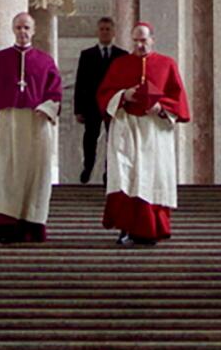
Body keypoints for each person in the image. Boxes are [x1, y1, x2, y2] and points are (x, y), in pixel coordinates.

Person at [0, 10, 64, 243]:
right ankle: (3, 224)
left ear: (34, 31)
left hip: (36, 123)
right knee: (4, 173)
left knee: (35, 175)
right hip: (7, 121)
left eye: (26, 28)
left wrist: (47, 108)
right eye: (19, 27)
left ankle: (30, 224)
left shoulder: (45, 61)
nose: (23, 32)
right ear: (13, 29)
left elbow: (55, 92)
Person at [97, 21, 190, 246]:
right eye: (136, 40)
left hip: (154, 130)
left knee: (152, 176)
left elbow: (178, 99)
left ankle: (151, 229)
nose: (140, 45)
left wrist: (161, 107)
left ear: (152, 39)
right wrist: (123, 95)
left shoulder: (167, 64)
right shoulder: (120, 64)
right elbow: (104, 93)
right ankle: (126, 228)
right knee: (126, 177)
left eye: (144, 40)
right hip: (126, 127)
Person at [73, 18, 126, 183]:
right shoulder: (87, 55)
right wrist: (78, 109)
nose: (105, 32)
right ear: (97, 32)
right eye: (102, 29)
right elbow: (80, 82)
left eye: (108, 29)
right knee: (90, 138)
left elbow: (125, 82)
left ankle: (109, 171)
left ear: (114, 32)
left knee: (113, 138)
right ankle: (88, 167)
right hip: (92, 104)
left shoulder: (122, 55)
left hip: (113, 104)